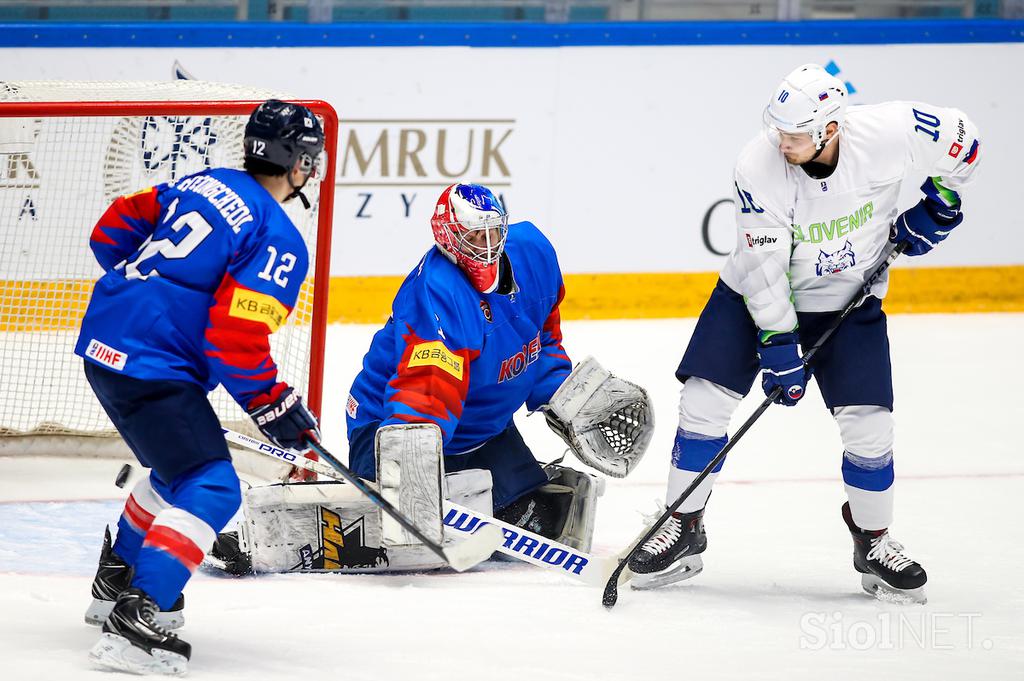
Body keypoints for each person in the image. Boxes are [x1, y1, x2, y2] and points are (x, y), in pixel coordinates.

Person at [628, 64, 980, 603]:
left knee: (870, 430)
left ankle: (874, 540)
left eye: (796, 135)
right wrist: (778, 344)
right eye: (780, 131)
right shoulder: (758, 163)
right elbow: (764, 266)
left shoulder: (890, 132)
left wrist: (942, 200)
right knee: (703, 400)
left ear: (831, 128)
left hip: (851, 300)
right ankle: (683, 522)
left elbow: (965, 140)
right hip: (753, 298)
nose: (783, 142)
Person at [76, 99, 325, 674]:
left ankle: (116, 581)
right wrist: (271, 401)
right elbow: (234, 339)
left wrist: (152, 295)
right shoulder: (279, 236)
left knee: (175, 472)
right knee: (213, 488)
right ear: (297, 163)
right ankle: (139, 620)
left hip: (105, 342)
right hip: (150, 365)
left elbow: (110, 229)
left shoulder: (205, 181)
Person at [342, 183, 652, 553]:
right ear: (447, 237)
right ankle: (392, 481)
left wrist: (563, 392)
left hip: (483, 429)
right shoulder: (438, 291)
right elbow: (427, 389)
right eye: (474, 237)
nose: (487, 246)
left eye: (493, 232)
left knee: (543, 521)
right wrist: (411, 463)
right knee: (406, 539)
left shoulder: (532, 254)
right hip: (395, 427)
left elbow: (542, 337)